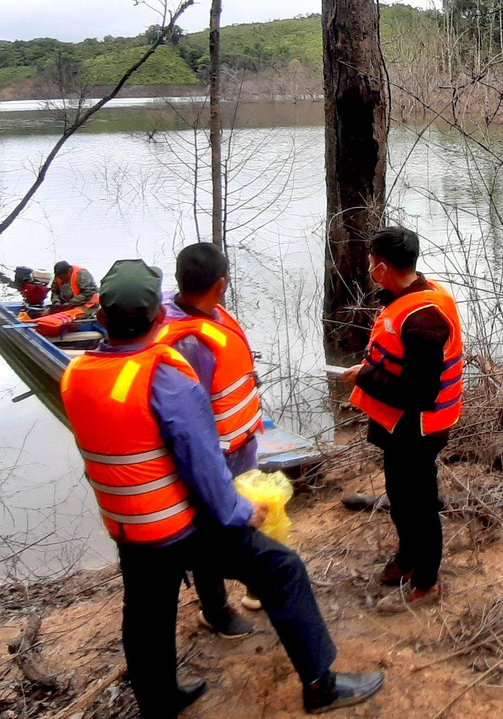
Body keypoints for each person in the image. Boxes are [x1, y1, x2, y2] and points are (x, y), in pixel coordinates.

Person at [60, 259, 384, 717]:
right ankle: (321, 687)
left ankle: (160, 701)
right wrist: (237, 510)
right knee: (282, 569)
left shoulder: (76, 376)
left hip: (128, 527)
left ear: (103, 319)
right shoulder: (164, 377)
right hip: (179, 525)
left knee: (145, 613)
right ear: (157, 317)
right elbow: (203, 463)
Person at [342, 227, 464, 609]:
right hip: (397, 425)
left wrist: (363, 376)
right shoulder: (409, 296)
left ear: (382, 266)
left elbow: (418, 394)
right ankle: (407, 559)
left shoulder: (424, 320)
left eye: (369, 264)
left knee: (420, 504)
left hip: (418, 428)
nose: (367, 270)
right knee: (400, 496)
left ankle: (427, 582)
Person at [157, 242, 264, 634]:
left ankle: (256, 585)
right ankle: (216, 610)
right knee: (210, 530)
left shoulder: (210, 314)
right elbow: (189, 421)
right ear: (221, 284)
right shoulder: (189, 343)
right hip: (215, 456)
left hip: (241, 445)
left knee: (250, 517)